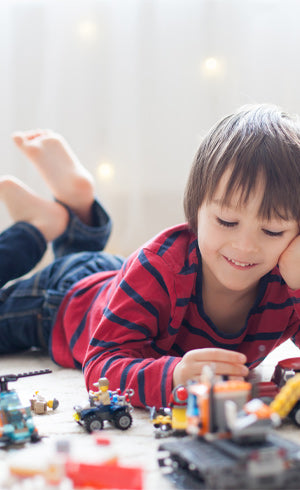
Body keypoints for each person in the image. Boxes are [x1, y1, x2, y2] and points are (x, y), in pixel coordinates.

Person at [0, 104, 299, 409]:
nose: (246, 246)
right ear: (195, 210)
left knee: (95, 264)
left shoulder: (288, 282)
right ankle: (35, 228)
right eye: (227, 222)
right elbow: (101, 365)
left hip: (122, 285)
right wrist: (174, 376)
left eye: (273, 231)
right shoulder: (160, 267)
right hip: (62, 303)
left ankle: (74, 214)